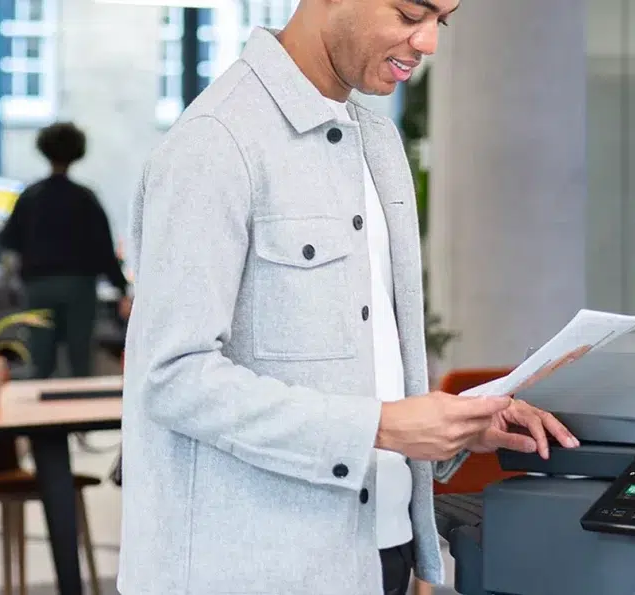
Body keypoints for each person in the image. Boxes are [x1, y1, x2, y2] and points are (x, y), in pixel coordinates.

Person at [117, 2, 580, 594]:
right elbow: (171, 377)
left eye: (443, 20)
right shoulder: (216, 143)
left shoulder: (379, 143)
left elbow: (369, 364)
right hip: (250, 571)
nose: (429, 42)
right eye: (413, 12)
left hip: (376, 554)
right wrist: (380, 427)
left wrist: (457, 427)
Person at [0, 122, 132, 379]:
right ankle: (80, 415)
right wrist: (121, 287)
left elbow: (8, 242)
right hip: (78, 286)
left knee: (39, 360)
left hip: (38, 286)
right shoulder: (85, 198)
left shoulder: (30, 196)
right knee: (79, 359)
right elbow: (104, 248)